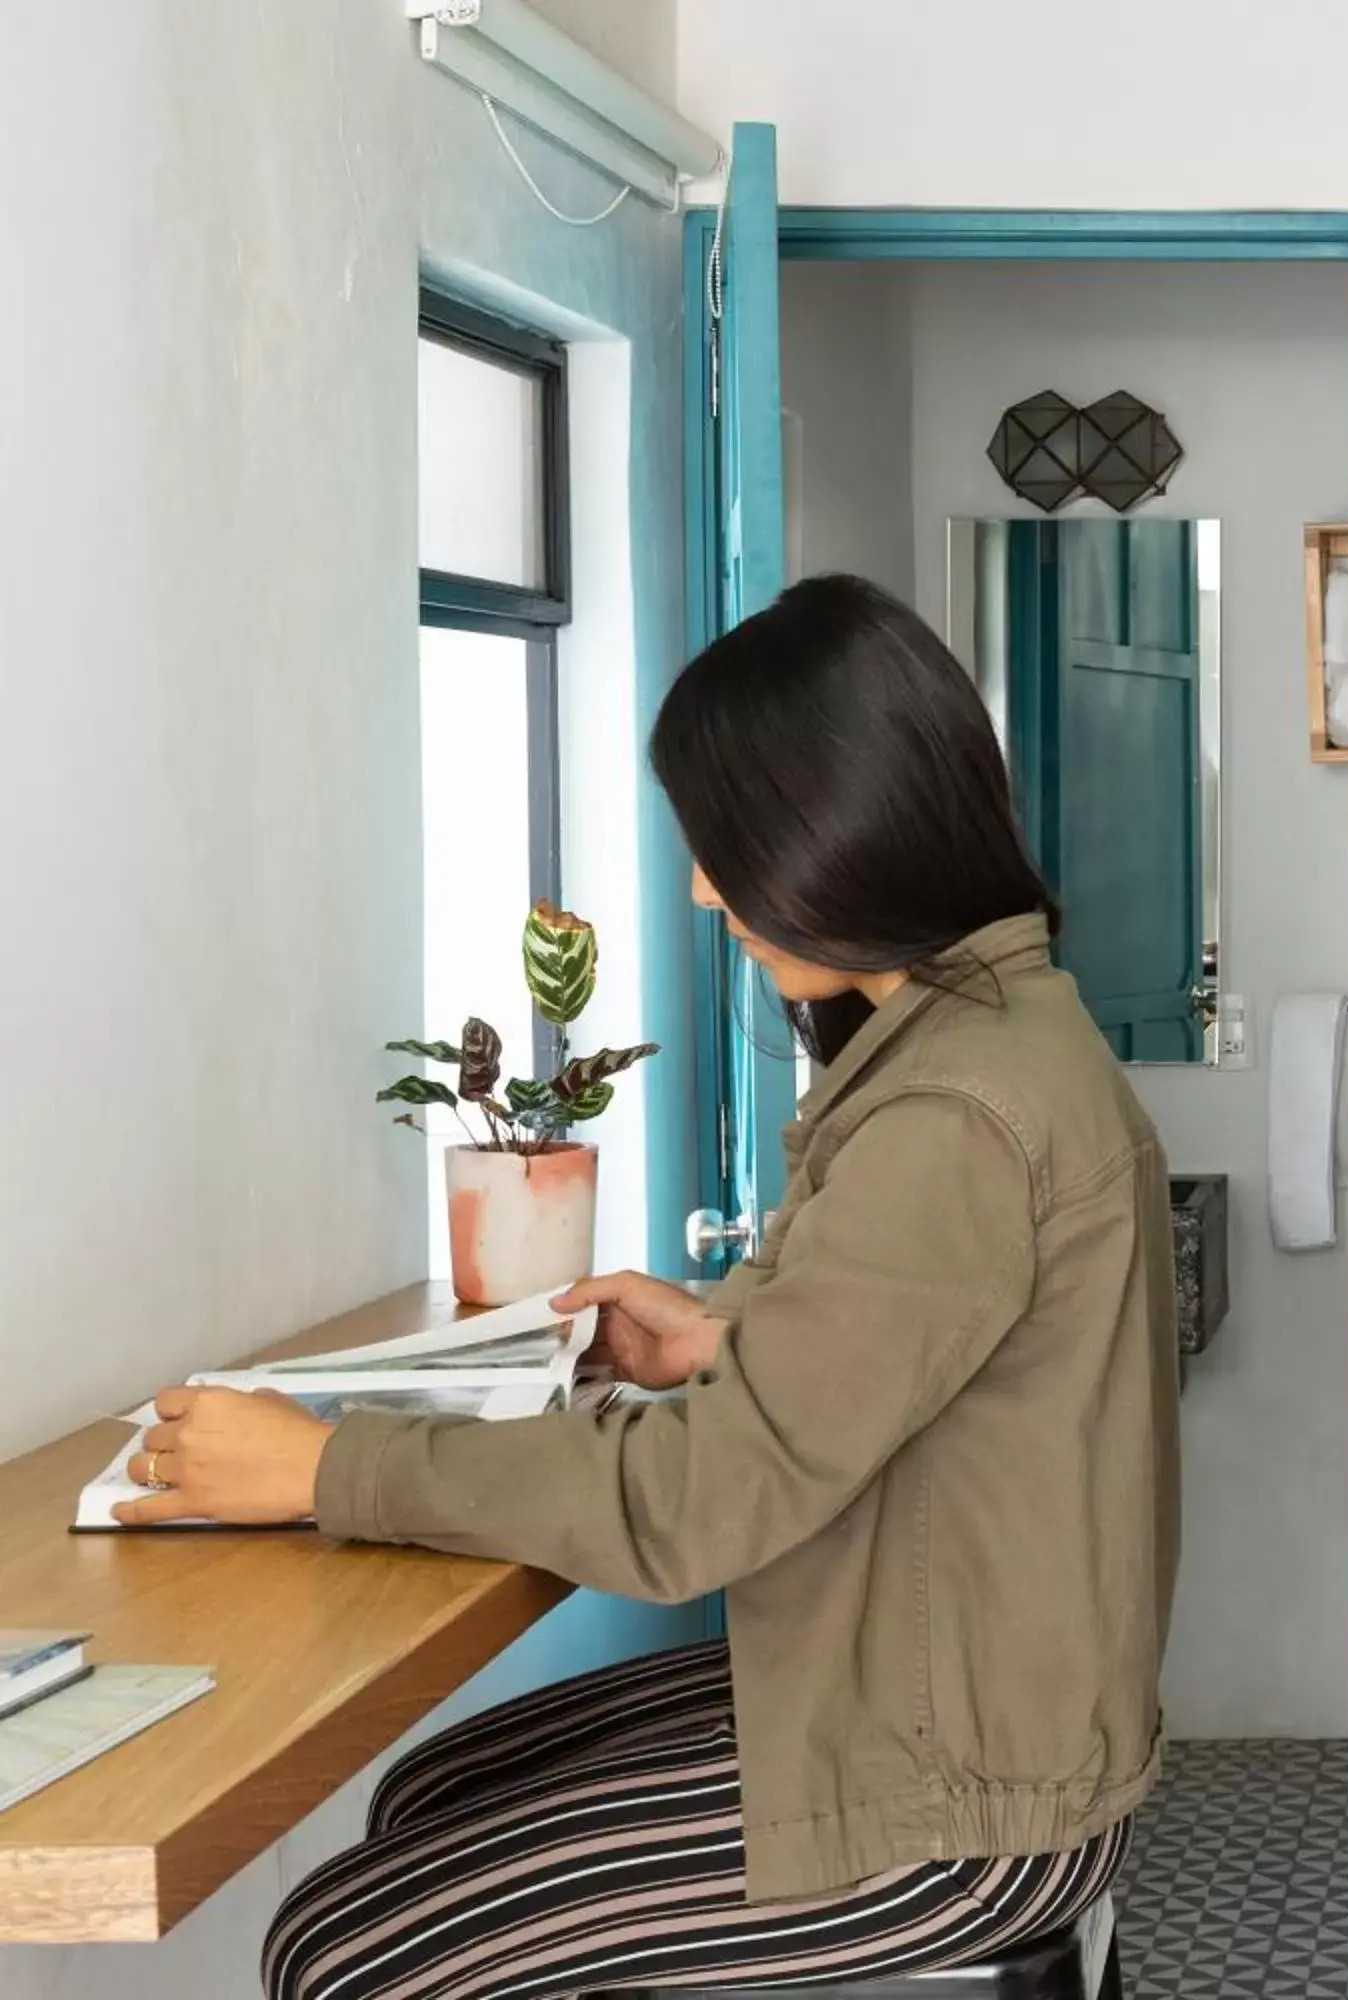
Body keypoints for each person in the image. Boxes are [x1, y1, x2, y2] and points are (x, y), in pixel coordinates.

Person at [118, 575, 1180, 1998]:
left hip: (963, 1803)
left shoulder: (955, 1113)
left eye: (723, 845)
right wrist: (729, 1336)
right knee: (442, 1786)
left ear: (839, 834)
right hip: (957, 1702)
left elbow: (695, 1511)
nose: (700, 888)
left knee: (345, 1953)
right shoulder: (987, 1040)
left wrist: (329, 1471)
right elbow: (935, 1353)